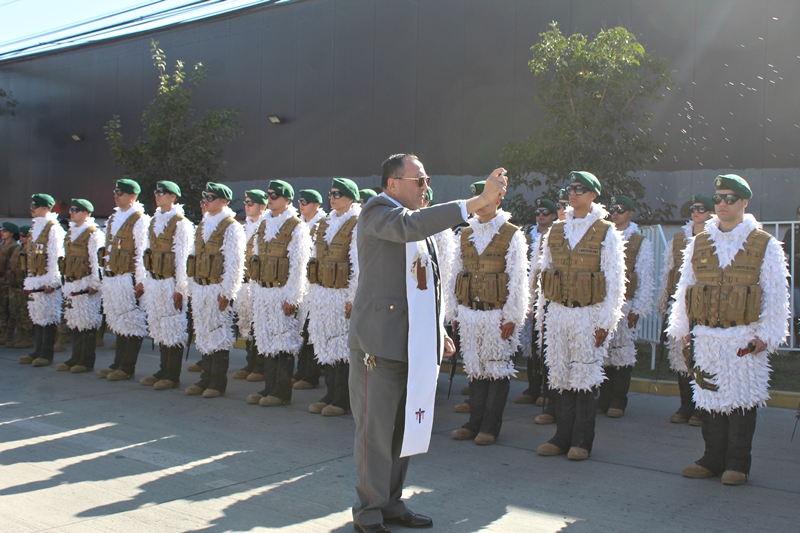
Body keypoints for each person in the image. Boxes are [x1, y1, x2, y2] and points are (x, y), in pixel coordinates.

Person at [348, 153, 506, 533]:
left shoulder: (414, 226)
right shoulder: (377, 212)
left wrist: (438, 331)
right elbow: (408, 227)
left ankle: (391, 504)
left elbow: (424, 285)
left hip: (412, 345)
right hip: (379, 347)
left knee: (403, 433)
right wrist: (477, 202)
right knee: (375, 434)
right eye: (418, 180)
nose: (426, 187)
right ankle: (368, 513)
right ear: (392, 184)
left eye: (427, 179)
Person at [669, 174, 789, 486]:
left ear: (744, 202)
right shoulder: (699, 242)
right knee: (709, 396)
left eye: (729, 199)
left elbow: (776, 294)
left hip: (743, 335)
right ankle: (712, 457)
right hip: (707, 335)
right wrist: (683, 329)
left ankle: (737, 463)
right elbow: (686, 286)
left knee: (741, 399)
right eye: (718, 199)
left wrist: (766, 336)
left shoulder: (765, 244)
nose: (721, 204)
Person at [535, 171, 626, 461]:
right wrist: (542, 318)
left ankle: (581, 441)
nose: (573, 193)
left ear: (593, 196)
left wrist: (606, 323)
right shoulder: (556, 230)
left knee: (585, 377)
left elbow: (614, 281)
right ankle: (561, 436)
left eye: (580, 189)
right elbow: (544, 276)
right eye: (571, 188)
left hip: (588, 314)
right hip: (559, 314)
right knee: (560, 376)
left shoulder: (606, 231)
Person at [448, 180, 529, 446]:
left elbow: (518, 279)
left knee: (496, 371)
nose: (480, 206)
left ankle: (490, 427)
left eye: (486, 200)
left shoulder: (512, 234)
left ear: (498, 201)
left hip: (497, 315)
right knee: (475, 369)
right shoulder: (464, 234)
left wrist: (512, 317)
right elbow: (455, 274)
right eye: (477, 200)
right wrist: (455, 313)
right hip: (470, 313)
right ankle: (474, 422)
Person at [246, 180, 310, 407]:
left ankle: (281, 392)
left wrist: (292, 298)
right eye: (269, 194)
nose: (270, 198)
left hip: (282, 292)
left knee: (283, 342)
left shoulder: (296, 226)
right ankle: (269, 386)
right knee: (265, 340)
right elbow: (256, 261)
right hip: (264, 292)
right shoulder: (263, 224)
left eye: (275, 195)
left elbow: (298, 265)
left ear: (286, 200)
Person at [656, 194, 714, 425]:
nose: (697, 211)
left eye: (702, 208)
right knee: (680, 355)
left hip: (705, 305)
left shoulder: (714, 237)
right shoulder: (678, 240)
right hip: (680, 303)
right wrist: (663, 304)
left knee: (702, 356)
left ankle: (702, 407)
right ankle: (686, 404)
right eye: (694, 208)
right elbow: (668, 272)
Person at [185, 182, 245, 398]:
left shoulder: (231, 226)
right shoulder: (202, 225)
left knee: (219, 335)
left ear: (223, 202)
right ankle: (205, 378)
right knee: (203, 334)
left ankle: (217, 382)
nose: (206, 201)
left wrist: (228, 292)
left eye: (211, 197)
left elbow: (235, 262)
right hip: (201, 288)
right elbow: (193, 258)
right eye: (206, 197)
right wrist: (191, 287)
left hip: (217, 288)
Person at [306, 178, 360, 416]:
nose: (333, 197)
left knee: (342, 348)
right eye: (332, 194)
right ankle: (330, 392)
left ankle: (343, 398)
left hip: (341, 295)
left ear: (351, 198)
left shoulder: (358, 224)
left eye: (338, 194)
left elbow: (358, 265)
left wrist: (352, 297)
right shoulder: (325, 223)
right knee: (326, 344)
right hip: (323, 293)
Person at [598, 195, 655, 418]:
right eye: (613, 208)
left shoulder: (641, 242)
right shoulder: (603, 237)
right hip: (602, 303)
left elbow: (645, 276)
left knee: (622, 353)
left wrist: (638, 309)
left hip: (626, 304)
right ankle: (602, 399)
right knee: (602, 351)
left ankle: (618, 401)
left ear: (631, 213)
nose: (616, 212)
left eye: (621, 209)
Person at [139, 182, 194, 390]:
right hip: (155, 281)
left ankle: (172, 375)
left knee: (173, 327)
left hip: (171, 282)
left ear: (173, 197)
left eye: (161, 193)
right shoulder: (154, 222)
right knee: (160, 326)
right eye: (156, 192)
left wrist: (180, 288)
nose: (157, 196)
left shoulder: (181, 223)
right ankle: (163, 369)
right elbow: (147, 253)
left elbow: (182, 259)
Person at [97, 179, 150, 381]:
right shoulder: (113, 219)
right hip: (113, 277)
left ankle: (127, 367)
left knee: (132, 322)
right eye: (116, 191)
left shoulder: (139, 220)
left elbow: (141, 253)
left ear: (133, 197)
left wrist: (140, 281)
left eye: (121, 192)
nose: (116, 195)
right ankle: (118, 363)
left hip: (128, 277)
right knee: (118, 321)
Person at [515, 198, 558, 420]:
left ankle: (547, 390)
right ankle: (533, 388)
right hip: (531, 296)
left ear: (553, 217)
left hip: (550, 296)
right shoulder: (527, 236)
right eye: (538, 212)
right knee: (532, 345)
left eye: (546, 213)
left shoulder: (557, 235)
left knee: (547, 346)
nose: (541, 216)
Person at [57, 199, 104, 373]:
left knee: (87, 323)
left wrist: (95, 283)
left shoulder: (93, 233)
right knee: (75, 321)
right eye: (71, 209)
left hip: (86, 282)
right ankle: (75, 357)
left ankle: (86, 361)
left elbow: (96, 260)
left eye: (75, 210)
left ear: (85, 213)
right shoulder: (71, 233)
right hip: (72, 282)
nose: (72, 212)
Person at [19, 194, 66, 367]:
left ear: (46, 208)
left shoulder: (53, 228)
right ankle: (37, 351)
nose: (32, 208)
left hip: (47, 280)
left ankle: (46, 354)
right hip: (35, 279)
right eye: (32, 204)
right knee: (38, 316)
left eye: (36, 205)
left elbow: (56, 256)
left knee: (48, 317)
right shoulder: (35, 228)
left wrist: (53, 281)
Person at [232, 189, 269, 383]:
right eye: (245, 203)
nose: (247, 206)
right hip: (245, 283)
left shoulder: (266, 226)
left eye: (251, 203)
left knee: (259, 326)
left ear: (262, 206)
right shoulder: (244, 227)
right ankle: (250, 362)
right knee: (246, 325)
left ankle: (260, 365)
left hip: (259, 283)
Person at [293, 188, 327, 389]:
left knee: (312, 331)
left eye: (306, 201)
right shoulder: (301, 224)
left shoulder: (322, 224)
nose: (301, 205)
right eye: (300, 201)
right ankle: (302, 371)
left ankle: (310, 375)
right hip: (304, 285)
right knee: (303, 330)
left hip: (317, 286)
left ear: (316, 204)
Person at [8, 226, 33, 349]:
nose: (23, 238)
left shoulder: (32, 251)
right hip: (15, 284)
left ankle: (27, 337)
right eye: (22, 236)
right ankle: (21, 336)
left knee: (25, 313)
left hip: (25, 285)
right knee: (16, 312)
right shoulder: (18, 249)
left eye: (26, 236)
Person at [0, 222, 21, 346]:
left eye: (5, 231)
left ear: (12, 233)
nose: (3, 232)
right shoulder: (3, 245)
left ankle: (6, 333)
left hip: (6, 280)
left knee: (6, 307)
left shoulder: (13, 247)